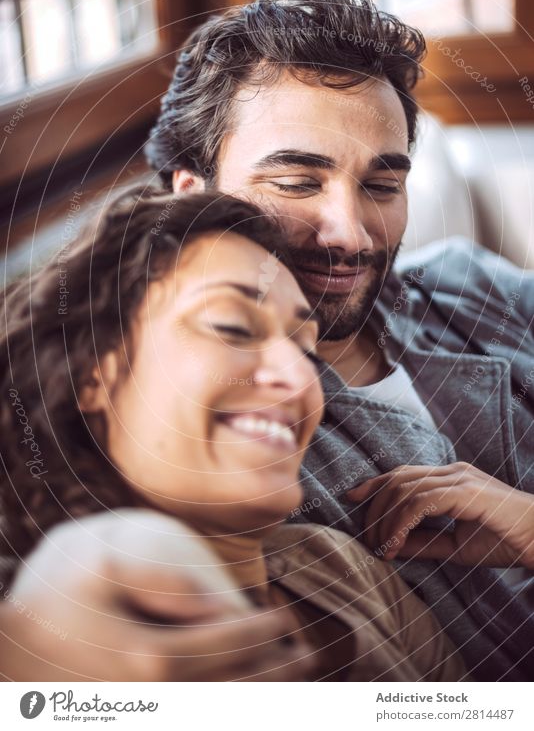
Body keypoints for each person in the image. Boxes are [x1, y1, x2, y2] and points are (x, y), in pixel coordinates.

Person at [145, 0, 534, 680]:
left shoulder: (472, 284)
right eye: (297, 182)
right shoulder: (220, 429)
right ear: (190, 195)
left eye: (382, 186)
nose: (352, 234)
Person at [0, 188, 466, 682]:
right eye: (234, 327)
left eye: (308, 352)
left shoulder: (339, 567)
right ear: (92, 373)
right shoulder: (45, 609)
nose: (300, 377)